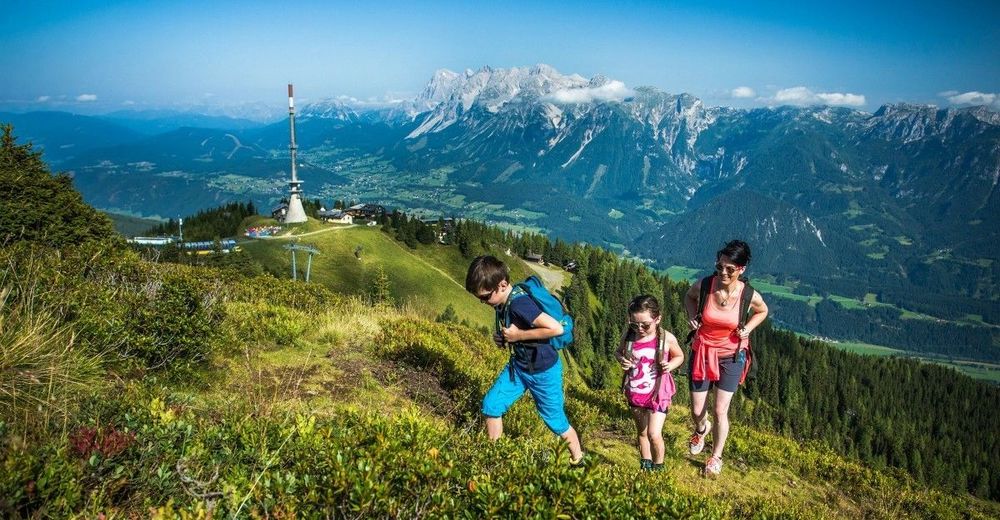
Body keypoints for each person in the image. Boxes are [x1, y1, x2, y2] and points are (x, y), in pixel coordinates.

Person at [465, 255, 585, 466]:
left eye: (485, 297)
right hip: (519, 368)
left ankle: (579, 461)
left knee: (556, 422)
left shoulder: (520, 304)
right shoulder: (503, 303)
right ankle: (493, 459)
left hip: (544, 373)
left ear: (502, 285)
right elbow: (518, 328)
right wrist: (505, 338)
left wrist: (518, 336)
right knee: (491, 406)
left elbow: (555, 328)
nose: (482, 302)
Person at [684, 240, 768, 477]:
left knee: (721, 410)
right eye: (720, 266)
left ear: (742, 269)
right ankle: (701, 430)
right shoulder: (705, 285)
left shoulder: (748, 294)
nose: (723, 272)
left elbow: (763, 311)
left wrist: (748, 328)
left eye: (730, 269)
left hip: (732, 356)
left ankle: (715, 457)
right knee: (697, 410)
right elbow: (688, 297)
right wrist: (692, 317)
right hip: (702, 351)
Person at [615, 295, 684, 471]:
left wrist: (670, 365)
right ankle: (645, 465)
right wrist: (622, 360)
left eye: (645, 325)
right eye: (634, 324)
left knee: (654, 433)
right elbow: (618, 352)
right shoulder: (630, 336)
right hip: (635, 390)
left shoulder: (666, 338)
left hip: (659, 392)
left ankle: (658, 467)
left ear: (657, 319)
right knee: (642, 432)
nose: (640, 329)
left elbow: (680, 356)